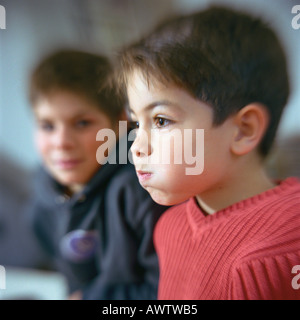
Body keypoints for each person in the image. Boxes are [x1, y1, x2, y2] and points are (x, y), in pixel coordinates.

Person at [115, 6, 300, 299]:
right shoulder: (169, 228)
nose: (136, 147)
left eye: (161, 121)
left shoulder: (278, 255)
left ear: (243, 130)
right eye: (138, 123)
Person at [25, 49, 167, 300]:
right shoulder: (41, 205)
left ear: (121, 123)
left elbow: (167, 293)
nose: (61, 142)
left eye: (82, 123)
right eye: (47, 126)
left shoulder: (142, 190)